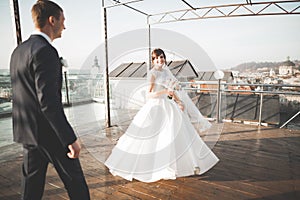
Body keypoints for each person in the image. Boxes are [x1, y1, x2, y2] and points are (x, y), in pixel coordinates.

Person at [9, 1, 90, 199]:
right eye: (63, 20)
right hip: (49, 133)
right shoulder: (46, 51)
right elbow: (48, 102)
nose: (64, 26)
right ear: (52, 20)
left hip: (27, 131)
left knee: (31, 188)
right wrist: (69, 138)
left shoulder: (18, 52)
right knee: (77, 184)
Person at [105, 48, 219, 182]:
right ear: (153, 61)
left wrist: (179, 101)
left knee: (174, 134)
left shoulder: (166, 72)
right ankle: (155, 166)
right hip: (155, 106)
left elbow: (171, 90)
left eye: (162, 57)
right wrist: (165, 92)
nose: (160, 60)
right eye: (157, 58)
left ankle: (176, 164)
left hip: (168, 105)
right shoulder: (152, 74)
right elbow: (149, 95)